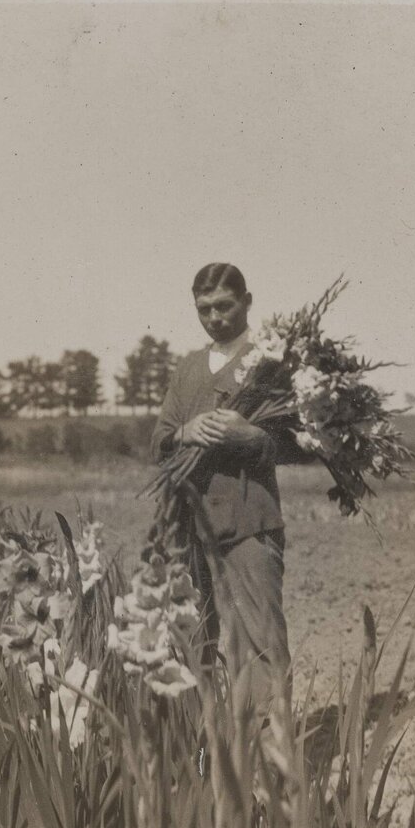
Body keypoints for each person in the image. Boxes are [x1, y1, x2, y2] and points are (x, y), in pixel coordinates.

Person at [151, 262, 308, 714]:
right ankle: (203, 757)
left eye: (224, 306)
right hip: (185, 524)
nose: (215, 317)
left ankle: (265, 767)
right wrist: (186, 431)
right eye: (205, 309)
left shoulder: (271, 365)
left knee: (259, 648)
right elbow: (158, 439)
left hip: (246, 524)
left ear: (247, 302)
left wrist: (253, 437)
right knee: (191, 642)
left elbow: (304, 444)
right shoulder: (189, 369)